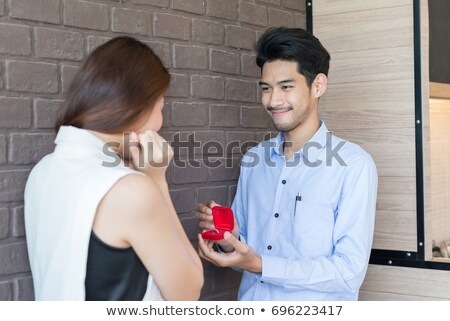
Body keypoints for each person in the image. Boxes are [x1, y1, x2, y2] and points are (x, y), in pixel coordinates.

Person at [196, 27, 378, 301]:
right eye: (266, 89)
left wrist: (261, 265)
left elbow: (348, 272)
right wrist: (227, 238)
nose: (273, 101)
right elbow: (245, 250)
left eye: (286, 87)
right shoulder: (254, 160)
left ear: (318, 85)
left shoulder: (353, 166)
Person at [24, 36, 203, 301]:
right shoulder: (130, 189)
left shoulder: (43, 170)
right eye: (161, 105)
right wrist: (156, 180)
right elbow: (187, 293)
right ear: (138, 107)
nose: (160, 121)